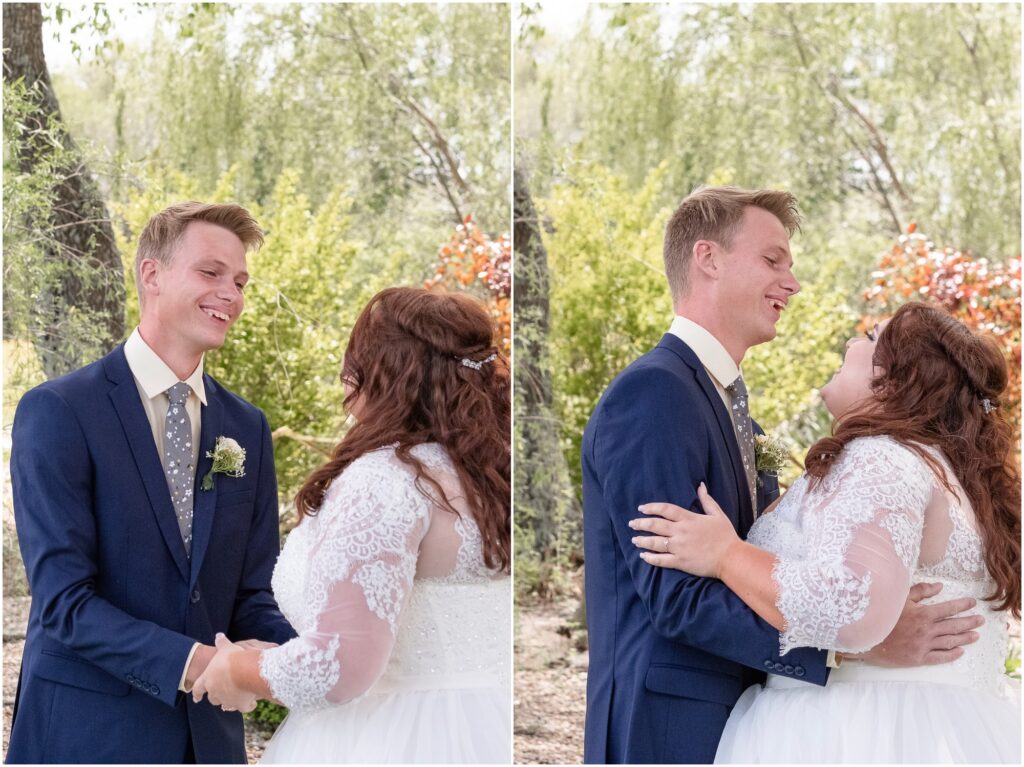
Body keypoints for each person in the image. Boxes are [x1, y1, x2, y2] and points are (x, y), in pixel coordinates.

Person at [581, 185, 984, 764]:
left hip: (746, 718)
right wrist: (850, 652)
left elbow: (763, 565)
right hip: (668, 725)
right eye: (773, 260)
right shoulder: (654, 394)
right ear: (708, 259)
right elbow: (676, 597)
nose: (792, 283)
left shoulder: (731, 404)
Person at [631, 301, 1021, 762]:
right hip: (945, 729)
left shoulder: (881, 457)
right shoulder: (953, 473)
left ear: (894, 381)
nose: (854, 341)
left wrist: (725, 556)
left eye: (872, 338)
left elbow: (851, 607)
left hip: (854, 732)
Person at [8, 202, 296, 763]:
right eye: (211, 273)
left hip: (208, 744)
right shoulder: (60, 410)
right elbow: (63, 602)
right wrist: (199, 665)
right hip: (86, 734)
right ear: (152, 274)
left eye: (240, 281)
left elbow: (252, 593)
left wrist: (291, 658)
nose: (231, 295)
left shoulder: (247, 429)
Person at [190, 287, 512, 763]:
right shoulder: (491, 473)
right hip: (485, 726)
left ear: (389, 372)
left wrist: (237, 669)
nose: (345, 374)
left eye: (358, 357)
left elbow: (338, 668)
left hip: (388, 739)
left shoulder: (387, 480)